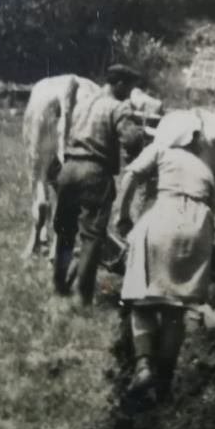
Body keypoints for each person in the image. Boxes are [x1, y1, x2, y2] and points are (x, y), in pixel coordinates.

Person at [115, 111, 215, 399]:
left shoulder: (161, 150)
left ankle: (144, 365)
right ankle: (164, 382)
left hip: (163, 220)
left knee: (142, 301)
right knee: (175, 309)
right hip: (199, 230)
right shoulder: (204, 167)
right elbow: (212, 204)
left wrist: (122, 215)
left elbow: (131, 175)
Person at [53, 64, 145, 306]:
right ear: (119, 85)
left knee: (65, 232)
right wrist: (140, 140)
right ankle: (83, 297)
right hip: (94, 173)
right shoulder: (118, 107)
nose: (130, 93)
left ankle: (60, 286)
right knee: (92, 236)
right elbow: (132, 140)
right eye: (129, 87)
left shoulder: (83, 103)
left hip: (69, 168)